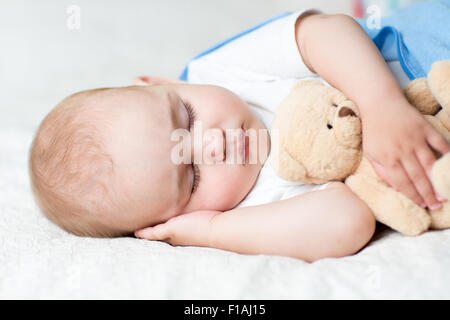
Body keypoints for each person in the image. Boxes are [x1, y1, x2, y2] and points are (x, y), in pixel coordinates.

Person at [29, 9, 449, 262]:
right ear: (173, 220)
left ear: (156, 82)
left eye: (187, 117)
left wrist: (381, 105)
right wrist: (212, 232)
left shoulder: (220, 71)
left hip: (413, 58)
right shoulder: (244, 211)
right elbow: (347, 220)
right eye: (192, 176)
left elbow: (324, 30)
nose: (212, 144)